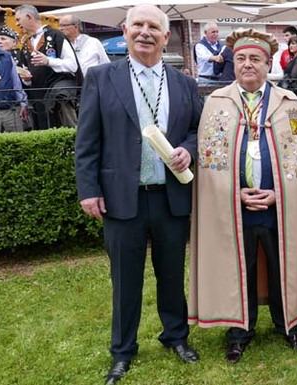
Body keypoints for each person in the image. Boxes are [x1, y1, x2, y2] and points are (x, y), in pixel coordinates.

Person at [75, 5, 202, 384]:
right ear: (126, 32)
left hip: (169, 196)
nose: (145, 32)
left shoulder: (184, 83)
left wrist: (189, 149)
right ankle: (122, 350)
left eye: (154, 27)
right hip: (120, 196)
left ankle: (175, 336)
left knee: (170, 273)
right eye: (138, 26)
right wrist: (89, 190)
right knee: (125, 278)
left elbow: (198, 130)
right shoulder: (100, 77)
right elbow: (87, 140)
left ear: (166, 37)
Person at [188, 28, 297, 364]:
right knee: (241, 269)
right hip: (233, 207)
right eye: (241, 59)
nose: (247, 64)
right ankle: (240, 330)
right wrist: (234, 193)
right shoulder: (217, 101)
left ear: (268, 64)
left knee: (285, 264)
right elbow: (210, 160)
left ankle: (289, 324)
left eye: (255, 59)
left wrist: (280, 192)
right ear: (233, 64)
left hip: (279, 205)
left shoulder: (287, 101)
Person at [15, 4, 82, 130]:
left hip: (59, 95)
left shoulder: (56, 35)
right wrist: (26, 78)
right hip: (38, 98)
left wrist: (49, 61)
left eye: (18, 19)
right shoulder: (25, 44)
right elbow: (27, 73)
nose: (17, 24)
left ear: (29, 16)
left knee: (65, 131)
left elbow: (73, 66)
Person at [0, 29, 28, 133]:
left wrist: (23, 102)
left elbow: (16, 82)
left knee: (16, 142)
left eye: (3, 39)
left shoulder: (7, 57)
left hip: (9, 106)